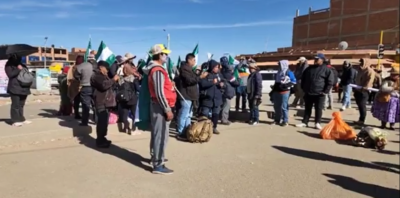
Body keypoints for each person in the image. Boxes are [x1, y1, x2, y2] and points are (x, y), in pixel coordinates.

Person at [143, 44, 176, 175]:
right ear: (159, 55)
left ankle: (156, 157)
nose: (167, 56)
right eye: (165, 54)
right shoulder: (157, 70)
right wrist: (167, 109)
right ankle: (158, 163)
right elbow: (159, 92)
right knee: (161, 135)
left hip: (159, 105)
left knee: (158, 133)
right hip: (161, 106)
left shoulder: (158, 69)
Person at [296, 53, 334, 129]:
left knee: (318, 109)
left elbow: (330, 82)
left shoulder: (327, 69)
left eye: (317, 59)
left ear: (322, 60)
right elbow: (303, 79)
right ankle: (305, 122)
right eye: (315, 59)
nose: (315, 60)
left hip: (319, 93)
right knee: (307, 108)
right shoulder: (309, 69)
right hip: (308, 92)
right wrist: (304, 89)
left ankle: (317, 123)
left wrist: (325, 92)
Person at [176, 53, 206, 139]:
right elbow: (189, 81)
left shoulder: (190, 69)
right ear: (189, 60)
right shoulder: (184, 69)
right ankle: (180, 132)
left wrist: (200, 72)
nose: (195, 62)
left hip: (191, 96)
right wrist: (200, 77)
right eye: (193, 60)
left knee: (189, 115)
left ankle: (187, 130)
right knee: (184, 114)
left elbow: (194, 77)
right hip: (186, 95)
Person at [91, 61, 119, 148]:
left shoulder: (103, 76)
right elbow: (103, 86)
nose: (107, 71)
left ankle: (102, 138)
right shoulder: (97, 76)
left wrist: (114, 81)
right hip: (100, 101)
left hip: (105, 102)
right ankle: (100, 140)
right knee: (102, 122)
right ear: (101, 67)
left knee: (104, 122)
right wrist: (113, 80)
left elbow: (109, 85)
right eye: (106, 69)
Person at [5, 54, 32, 127]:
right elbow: (10, 74)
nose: (20, 58)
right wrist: (18, 69)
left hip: (24, 87)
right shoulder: (9, 65)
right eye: (18, 57)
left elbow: (27, 74)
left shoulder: (22, 65)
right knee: (15, 105)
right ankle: (15, 120)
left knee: (21, 105)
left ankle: (21, 119)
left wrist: (23, 68)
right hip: (14, 87)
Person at [198, 60, 224, 134]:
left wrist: (222, 85)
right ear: (212, 67)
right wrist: (212, 82)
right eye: (216, 67)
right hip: (207, 99)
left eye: (218, 67)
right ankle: (202, 128)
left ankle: (214, 127)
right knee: (204, 115)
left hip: (217, 99)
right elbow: (202, 84)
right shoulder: (206, 74)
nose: (217, 68)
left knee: (215, 115)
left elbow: (224, 82)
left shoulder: (219, 75)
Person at [116, 55, 140, 134]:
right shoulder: (132, 77)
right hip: (132, 98)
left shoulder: (120, 76)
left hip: (123, 98)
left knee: (124, 113)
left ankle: (125, 127)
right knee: (134, 114)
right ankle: (133, 129)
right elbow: (138, 88)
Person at [272, 60, 296, 126]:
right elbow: (276, 82)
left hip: (285, 92)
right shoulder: (278, 72)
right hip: (277, 91)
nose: (278, 65)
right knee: (276, 106)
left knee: (284, 107)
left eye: (279, 64)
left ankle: (285, 121)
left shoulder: (289, 72)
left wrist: (285, 86)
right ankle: (277, 120)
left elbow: (293, 81)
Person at [74, 55, 95, 126]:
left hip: (85, 87)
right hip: (95, 88)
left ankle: (84, 122)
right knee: (95, 105)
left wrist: (81, 79)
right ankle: (96, 120)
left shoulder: (81, 66)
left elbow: (76, 75)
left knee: (86, 106)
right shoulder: (97, 65)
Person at [354, 58, 375, 126]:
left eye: (362, 63)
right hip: (357, 90)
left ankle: (362, 120)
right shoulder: (360, 70)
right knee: (359, 105)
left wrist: (365, 87)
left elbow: (369, 80)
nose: (360, 64)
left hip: (364, 91)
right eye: (360, 62)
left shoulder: (370, 71)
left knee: (362, 105)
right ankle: (360, 119)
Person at [220, 56, 239, 125]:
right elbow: (235, 82)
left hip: (224, 91)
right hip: (227, 91)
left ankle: (223, 118)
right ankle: (224, 119)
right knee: (226, 106)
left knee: (224, 105)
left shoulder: (221, 71)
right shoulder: (227, 73)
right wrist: (237, 81)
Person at [68, 55, 83, 119]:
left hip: (81, 86)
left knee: (81, 101)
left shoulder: (80, 66)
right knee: (77, 101)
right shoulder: (75, 67)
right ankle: (77, 114)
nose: (81, 60)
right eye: (80, 59)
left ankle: (78, 114)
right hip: (76, 87)